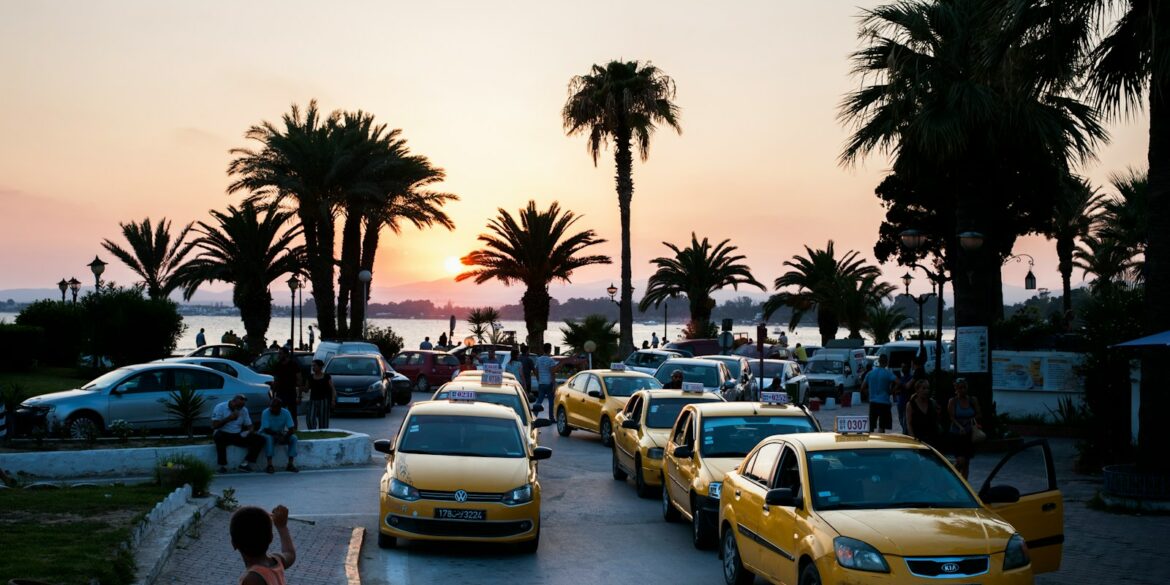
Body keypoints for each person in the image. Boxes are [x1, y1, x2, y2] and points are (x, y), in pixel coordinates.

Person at [231, 504, 296, 585]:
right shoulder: (276, 560)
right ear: (271, 538)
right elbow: (290, 553)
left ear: (233, 544)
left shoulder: (252, 579)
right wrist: (282, 527)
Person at [212, 394, 265, 473]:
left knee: (260, 439)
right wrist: (229, 418)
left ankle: (245, 464)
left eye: (242, 406)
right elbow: (214, 426)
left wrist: (248, 431)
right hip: (223, 433)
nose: (239, 408)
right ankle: (222, 466)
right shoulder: (220, 407)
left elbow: (250, 425)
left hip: (237, 434)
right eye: (238, 406)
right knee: (218, 437)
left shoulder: (243, 410)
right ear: (233, 402)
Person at [947, 378, 982, 479]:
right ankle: (951, 477)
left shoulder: (972, 400)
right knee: (960, 461)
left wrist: (971, 420)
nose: (962, 390)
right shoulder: (953, 401)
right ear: (956, 389)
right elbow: (951, 417)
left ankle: (965, 485)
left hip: (969, 434)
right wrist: (960, 426)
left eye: (964, 387)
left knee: (966, 462)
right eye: (960, 388)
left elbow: (979, 414)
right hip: (956, 434)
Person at [259, 398, 299, 473]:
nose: (272, 409)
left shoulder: (286, 413)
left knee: (294, 438)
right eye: (271, 407)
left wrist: (285, 436)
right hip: (265, 433)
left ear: (280, 407)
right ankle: (269, 465)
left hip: (279, 433)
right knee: (269, 438)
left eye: (274, 407)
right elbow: (266, 429)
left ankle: (290, 464)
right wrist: (278, 436)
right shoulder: (265, 412)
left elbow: (291, 429)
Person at [860, 354, 896, 433]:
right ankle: (881, 441)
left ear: (878, 361)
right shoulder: (888, 374)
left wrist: (869, 394)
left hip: (873, 402)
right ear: (887, 362)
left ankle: (871, 441)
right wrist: (892, 391)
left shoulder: (870, 373)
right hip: (884, 402)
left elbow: (862, 388)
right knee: (882, 426)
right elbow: (899, 382)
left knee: (871, 425)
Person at [905, 379, 942, 449]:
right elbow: (909, 423)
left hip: (932, 438)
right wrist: (912, 439)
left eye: (928, 388)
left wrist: (938, 413)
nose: (926, 391)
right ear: (917, 390)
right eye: (924, 388)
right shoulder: (911, 404)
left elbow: (936, 420)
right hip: (918, 438)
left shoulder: (932, 403)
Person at [271, 348, 302, 424]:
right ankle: (280, 430)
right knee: (279, 412)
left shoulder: (293, 365)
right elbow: (276, 380)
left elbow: (299, 379)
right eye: (279, 354)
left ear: (286, 354)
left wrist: (299, 395)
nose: (279, 355)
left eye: (280, 354)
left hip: (291, 392)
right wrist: (273, 393)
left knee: (293, 414)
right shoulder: (277, 365)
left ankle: (294, 430)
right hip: (280, 392)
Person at [305, 359, 335, 430]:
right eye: (312, 366)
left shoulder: (326, 377)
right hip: (313, 400)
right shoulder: (310, 377)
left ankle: (323, 435)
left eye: (315, 366)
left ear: (320, 367)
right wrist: (301, 387)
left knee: (323, 422)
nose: (313, 367)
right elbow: (306, 389)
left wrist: (333, 400)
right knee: (310, 419)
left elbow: (332, 389)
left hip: (323, 401)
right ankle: (313, 432)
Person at [534, 343, 561, 419]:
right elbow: (552, 373)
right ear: (549, 350)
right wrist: (554, 384)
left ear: (543, 349)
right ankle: (551, 418)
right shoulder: (551, 360)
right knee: (551, 402)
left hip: (541, 383)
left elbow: (536, 370)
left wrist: (538, 379)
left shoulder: (538, 359)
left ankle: (534, 416)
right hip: (549, 383)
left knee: (539, 401)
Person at [895, 362, 913, 433]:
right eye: (902, 367)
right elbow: (895, 390)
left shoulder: (910, 378)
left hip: (906, 403)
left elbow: (907, 387)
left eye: (904, 367)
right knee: (901, 420)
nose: (902, 369)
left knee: (906, 421)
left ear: (908, 368)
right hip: (901, 403)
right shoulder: (901, 378)